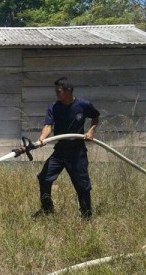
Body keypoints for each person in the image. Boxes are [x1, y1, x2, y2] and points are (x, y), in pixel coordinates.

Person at [33, 77, 100, 219]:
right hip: (60, 151)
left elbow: (95, 117)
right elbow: (48, 126)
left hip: (77, 152)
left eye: (59, 91)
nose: (56, 94)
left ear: (68, 91)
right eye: (56, 92)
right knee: (44, 178)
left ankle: (86, 216)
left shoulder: (83, 105)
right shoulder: (54, 107)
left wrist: (91, 131)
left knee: (82, 184)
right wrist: (42, 138)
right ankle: (47, 210)